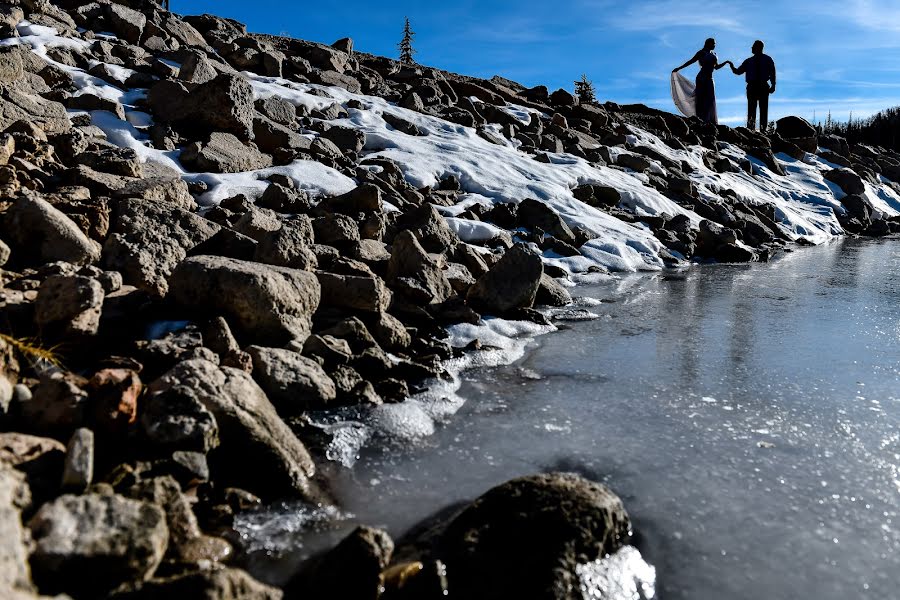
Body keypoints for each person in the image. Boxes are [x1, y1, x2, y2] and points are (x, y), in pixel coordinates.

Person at [673, 38, 732, 125]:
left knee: (710, 99)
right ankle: (701, 119)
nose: (714, 45)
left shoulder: (714, 54)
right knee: (701, 99)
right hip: (702, 78)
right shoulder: (701, 52)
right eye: (713, 44)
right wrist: (679, 68)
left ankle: (709, 121)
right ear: (708, 44)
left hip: (710, 79)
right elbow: (691, 61)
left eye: (715, 44)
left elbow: (716, 67)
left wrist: (726, 62)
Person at [731, 40, 776, 131]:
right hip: (753, 87)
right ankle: (751, 130)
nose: (751, 48)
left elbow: (772, 73)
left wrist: (773, 85)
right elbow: (738, 71)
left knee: (762, 110)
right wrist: (731, 65)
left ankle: (763, 131)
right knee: (752, 110)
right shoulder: (749, 61)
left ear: (758, 47)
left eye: (753, 46)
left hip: (762, 86)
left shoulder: (767, 59)